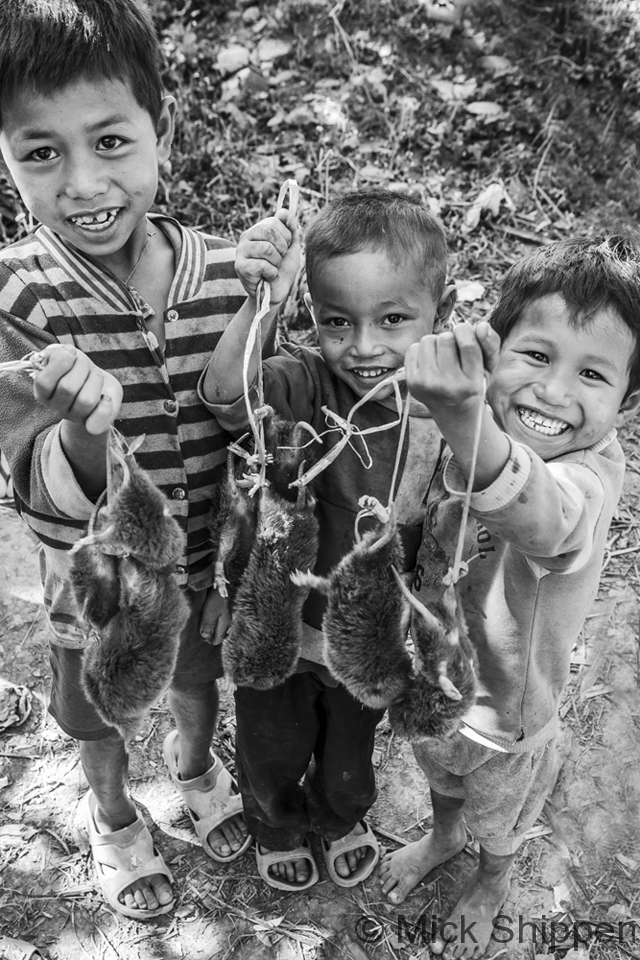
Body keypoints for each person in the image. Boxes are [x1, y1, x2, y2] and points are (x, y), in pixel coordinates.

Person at [0, 0, 278, 920]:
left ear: (165, 131)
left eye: (111, 141)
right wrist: (80, 429)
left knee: (199, 672)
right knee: (95, 707)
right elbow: (35, 491)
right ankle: (114, 816)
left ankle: (195, 772)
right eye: (41, 153)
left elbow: (246, 421)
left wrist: (260, 307)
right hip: (92, 585)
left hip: (202, 555)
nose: (84, 183)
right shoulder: (20, 300)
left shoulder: (225, 265)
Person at [379, 236, 640, 958]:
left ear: (626, 401)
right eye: (536, 355)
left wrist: (466, 421)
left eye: (593, 374)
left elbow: (545, 523)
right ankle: (440, 834)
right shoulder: (466, 424)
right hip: (433, 684)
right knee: (437, 772)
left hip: (510, 719)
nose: (555, 391)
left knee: (497, 815)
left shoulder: (591, 476)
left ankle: (493, 878)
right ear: (493, 352)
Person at [201, 189, 457, 890]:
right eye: (338, 321)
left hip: (367, 637)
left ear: (445, 309)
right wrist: (262, 304)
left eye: (394, 319)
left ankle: (342, 817)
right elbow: (228, 397)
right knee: (271, 743)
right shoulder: (305, 382)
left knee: (351, 750)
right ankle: (276, 822)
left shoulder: (446, 409)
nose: (364, 346)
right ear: (312, 316)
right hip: (280, 627)